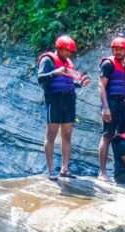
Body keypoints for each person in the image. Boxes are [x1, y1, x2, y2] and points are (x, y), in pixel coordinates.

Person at [36, 35, 90, 179]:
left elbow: (70, 83)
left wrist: (80, 83)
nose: (68, 54)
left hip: (69, 100)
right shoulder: (48, 60)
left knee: (67, 135)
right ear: (59, 48)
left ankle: (65, 169)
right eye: (66, 51)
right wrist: (55, 72)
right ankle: (51, 170)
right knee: (51, 135)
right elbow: (40, 78)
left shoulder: (69, 63)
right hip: (54, 100)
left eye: (70, 52)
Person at [97, 37, 125, 182]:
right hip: (111, 102)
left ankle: (120, 171)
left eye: (120, 49)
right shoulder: (108, 64)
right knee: (108, 135)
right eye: (115, 49)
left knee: (123, 136)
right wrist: (105, 107)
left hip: (124, 104)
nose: (117, 52)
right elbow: (101, 86)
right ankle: (103, 172)